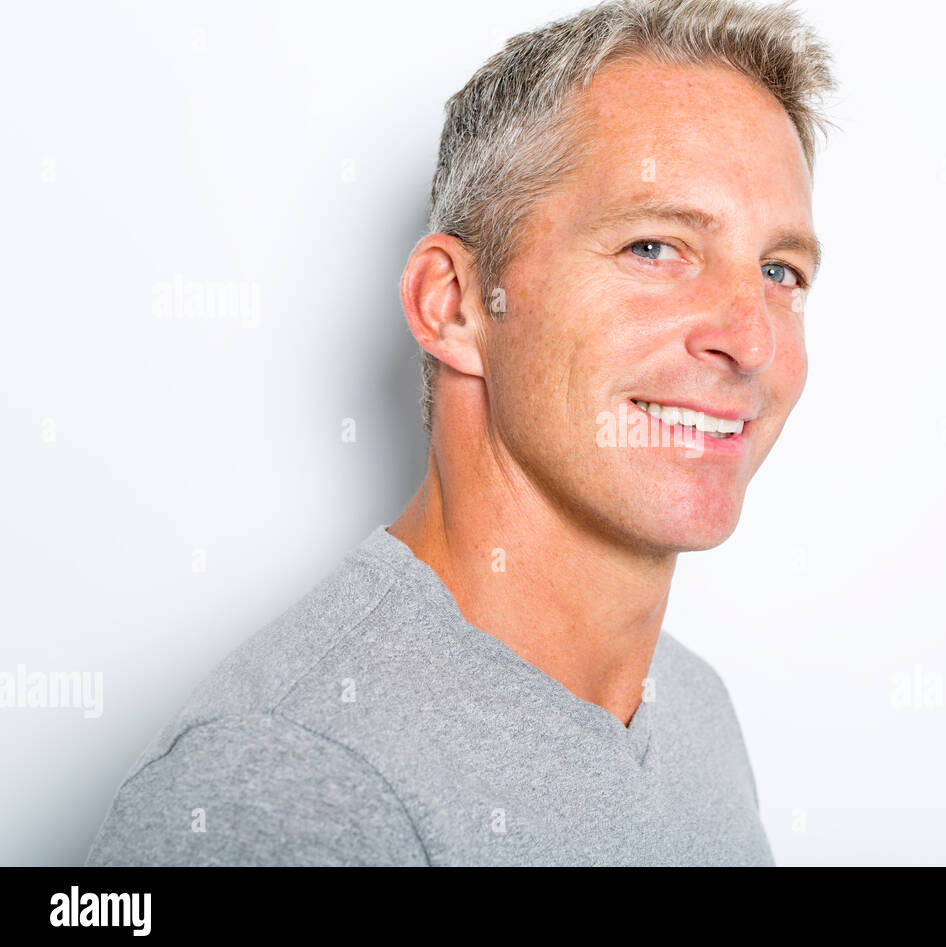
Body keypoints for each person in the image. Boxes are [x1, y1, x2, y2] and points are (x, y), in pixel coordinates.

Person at [86, 0, 835, 866]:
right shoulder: (290, 783)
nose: (750, 339)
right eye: (654, 248)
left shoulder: (694, 709)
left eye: (781, 271)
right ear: (454, 306)